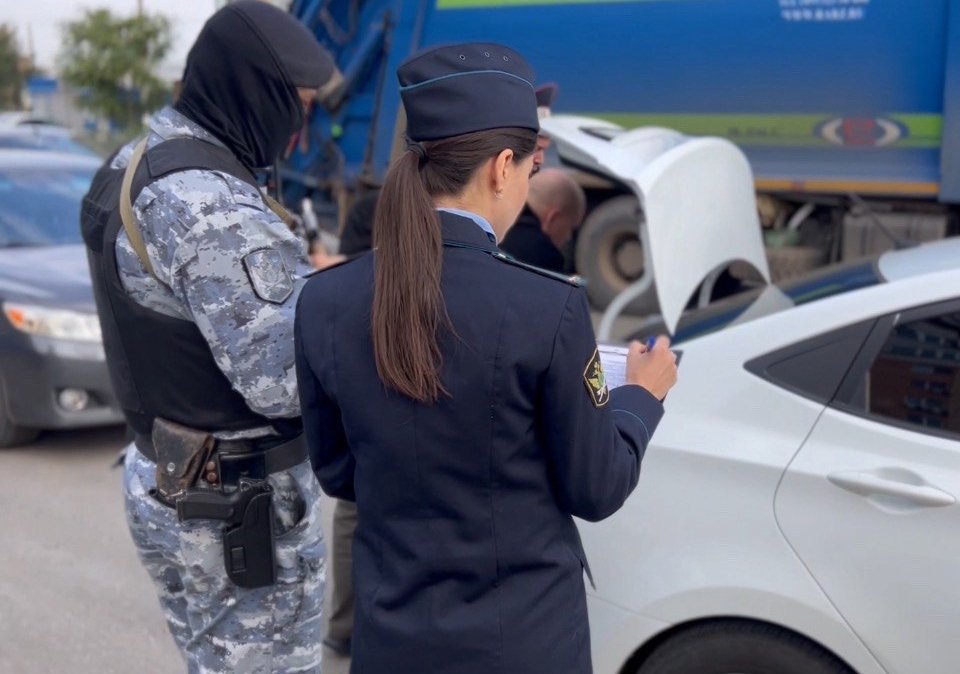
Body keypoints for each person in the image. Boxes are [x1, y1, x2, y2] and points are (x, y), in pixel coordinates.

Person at [294, 42, 678, 673]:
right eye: (530, 170)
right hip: (520, 643)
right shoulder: (546, 307)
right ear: (503, 167)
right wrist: (641, 397)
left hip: (391, 638)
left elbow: (338, 473)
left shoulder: (326, 300)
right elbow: (597, 485)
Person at [79, 2, 334, 671]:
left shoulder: (137, 160)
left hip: (167, 478)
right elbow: (281, 381)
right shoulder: (210, 201)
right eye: (296, 105)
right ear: (254, 92)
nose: (299, 130)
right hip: (235, 509)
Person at [500, 166, 586, 273]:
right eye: (571, 229)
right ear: (552, 218)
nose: (568, 238)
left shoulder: (490, 223)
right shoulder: (545, 256)